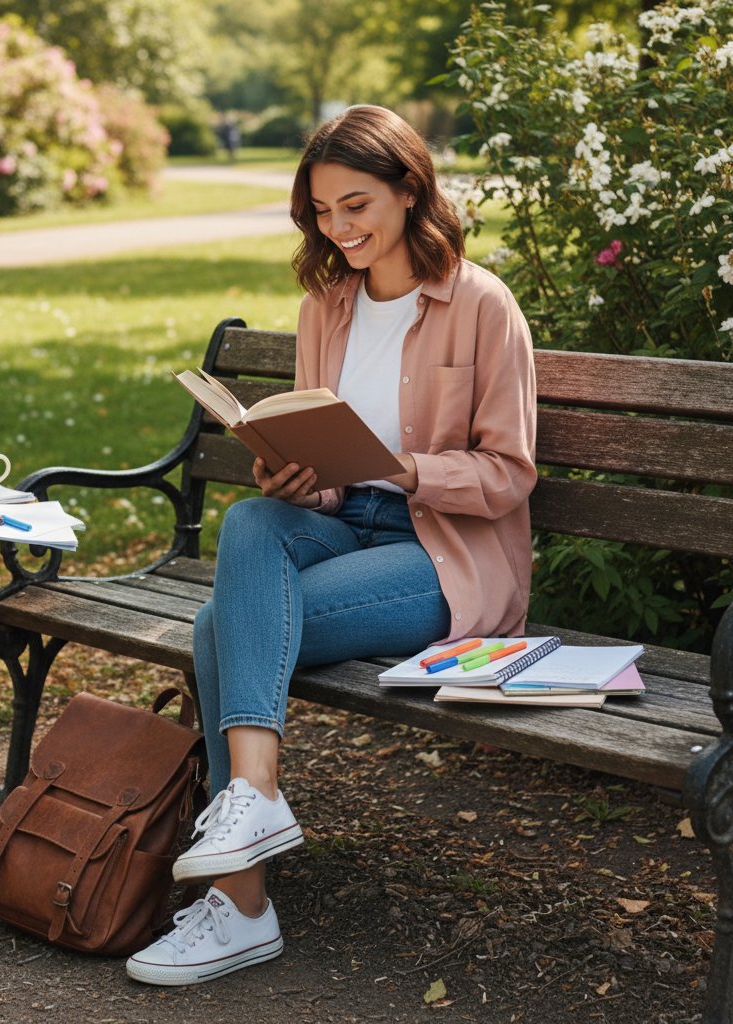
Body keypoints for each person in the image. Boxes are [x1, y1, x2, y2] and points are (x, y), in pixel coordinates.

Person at [126, 104, 537, 987]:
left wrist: (406, 469)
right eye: (322, 211)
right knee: (250, 519)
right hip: (347, 529)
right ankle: (256, 810)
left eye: (357, 205)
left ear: (408, 189)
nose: (340, 228)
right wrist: (298, 477)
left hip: (444, 557)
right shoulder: (328, 306)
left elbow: (508, 474)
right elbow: (329, 468)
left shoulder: (481, 304)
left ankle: (240, 897)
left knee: (216, 633)